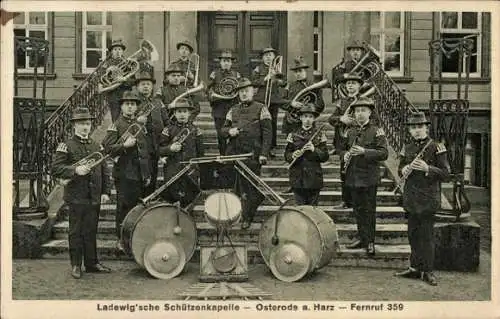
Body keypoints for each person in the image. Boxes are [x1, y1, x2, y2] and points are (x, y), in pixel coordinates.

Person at [51, 107, 112, 279]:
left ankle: (92, 263)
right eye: (81, 123)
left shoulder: (96, 145)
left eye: (87, 123)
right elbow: (55, 168)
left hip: (94, 196)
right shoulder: (66, 146)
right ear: (74, 126)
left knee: (91, 230)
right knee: (76, 232)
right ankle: (76, 265)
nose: (85, 127)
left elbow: (104, 170)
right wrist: (75, 169)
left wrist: (105, 191)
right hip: (76, 196)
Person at [394, 112, 451, 286]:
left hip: (427, 199)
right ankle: (414, 268)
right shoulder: (407, 147)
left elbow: (446, 174)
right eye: (413, 127)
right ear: (409, 130)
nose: (417, 130)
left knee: (426, 237)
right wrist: (403, 170)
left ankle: (428, 271)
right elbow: (399, 169)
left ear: (426, 128)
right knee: (413, 235)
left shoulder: (436, 146)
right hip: (411, 198)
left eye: (420, 127)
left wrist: (428, 168)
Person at [101, 90, 151, 252]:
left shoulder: (140, 125)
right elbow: (107, 148)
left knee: (137, 209)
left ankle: (134, 239)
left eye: (133, 104)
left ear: (136, 107)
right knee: (123, 208)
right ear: (121, 107)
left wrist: (147, 173)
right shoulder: (116, 125)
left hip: (139, 174)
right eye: (127, 104)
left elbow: (145, 151)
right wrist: (124, 146)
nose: (130, 107)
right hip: (124, 173)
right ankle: (121, 239)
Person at [338, 97, 388, 255]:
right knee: (358, 210)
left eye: (363, 111)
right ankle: (361, 237)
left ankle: (370, 241)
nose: (360, 114)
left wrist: (364, 152)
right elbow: (340, 149)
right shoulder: (350, 131)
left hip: (368, 178)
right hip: (353, 176)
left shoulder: (377, 131)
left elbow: (384, 153)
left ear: (369, 112)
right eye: (357, 111)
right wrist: (344, 155)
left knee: (369, 210)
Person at [221, 77, 272, 229]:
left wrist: (264, 153)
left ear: (253, 92)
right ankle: (238, 214)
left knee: (250, 186)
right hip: (234, 154)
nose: (244, 94)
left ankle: (247, 217)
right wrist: (229, 131)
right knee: (236, 187)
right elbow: (222, 130)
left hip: (253, 154)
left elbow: (268, 133)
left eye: (246, 91)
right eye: (241, 92)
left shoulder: (261, 108)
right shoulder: (232, 110)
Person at [158, 98, 204, 209]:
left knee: (189, 203)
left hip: (190, 171)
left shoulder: (196, 130)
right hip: (172, 171)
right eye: (179, 112)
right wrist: (170, 148)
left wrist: (196, 170)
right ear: (174, 113)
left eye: (184, 111)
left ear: (189, 113)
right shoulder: (168, 130)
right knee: (172, 202)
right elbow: (159, 150)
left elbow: (200, 154)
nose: (182, 114)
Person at [328, 74, 364, 209]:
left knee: (358, 171)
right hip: (344, 142)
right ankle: (346, 200)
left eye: (354, 83)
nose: (350, 85)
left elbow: (374, 120)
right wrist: (341, 119)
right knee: (344, 171)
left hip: (360, 141)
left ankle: (357, 201)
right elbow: (331, 119)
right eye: (348, 83)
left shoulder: (365, 100)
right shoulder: (341, 102)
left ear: (359, 86)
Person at [284, 103, 329, 205]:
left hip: (314, 179)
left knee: (313, 210)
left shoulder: (319, 134)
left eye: (310, 117)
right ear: (300, 118)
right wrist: (293, 155)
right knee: (300, 211)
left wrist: (314, 150)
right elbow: (287, 155)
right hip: (297, 178)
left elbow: (325, 156)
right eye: (305, 116)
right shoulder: (293, 134)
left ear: (314, 119)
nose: (308, 119)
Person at [251, 46, 287, 158]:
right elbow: (253, 82)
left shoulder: (277, 68)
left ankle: (272, 147)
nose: (268, 58)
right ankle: (261, 147)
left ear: (274, 57)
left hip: (274, 100)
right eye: (266, 56)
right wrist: (266, 78)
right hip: (261, 100)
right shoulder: (258, 69)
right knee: (261, 124)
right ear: (262, 58)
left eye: (270, 55)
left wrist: (277, 78)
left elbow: (283, 83)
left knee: (272, 124)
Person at [134, 71, 165, 196]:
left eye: (148, 84)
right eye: (143, 84)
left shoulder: (158, 102)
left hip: (155, 145)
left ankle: (149, 201)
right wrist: (137, 120)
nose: (146, 86)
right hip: (140, 147)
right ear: (137, 87)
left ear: (152, 87)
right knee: (141, 177)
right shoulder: (133, 102)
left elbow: (166, 121)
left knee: (153, 175)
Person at [207, 50, 241, 155]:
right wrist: (213, 97)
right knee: (221, 135)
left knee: (233, 134)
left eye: (228, 61)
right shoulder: (214, 74)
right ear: (220, 62)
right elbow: (208, 90)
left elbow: (240, 91)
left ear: (231, 63)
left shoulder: (237, 75)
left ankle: (231, 157)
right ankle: (222, 157)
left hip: (233, 108)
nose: (226, 63)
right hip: (219, 109)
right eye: (224, 61)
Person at [282, 56, 325, 136]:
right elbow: (282, 102)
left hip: (308, 121)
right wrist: (291, 103)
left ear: (305, 71)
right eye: (296, 72)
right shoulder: (289, 85)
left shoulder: (314, 86)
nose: (298, 73)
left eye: (300, 71)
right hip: (292, 121)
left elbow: (321, 104)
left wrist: (309, 107)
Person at [98, 39, 133, 122]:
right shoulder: (106, 64)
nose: (118, 51)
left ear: (122, 51)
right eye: (115, 49)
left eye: (120, 49)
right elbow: (101, 79)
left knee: (126, 118)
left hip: (125, 94)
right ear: (111, 52)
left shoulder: (128, 64)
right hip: (113, 95)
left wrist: (124, 79)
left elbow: (133, 81)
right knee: (115, 117)